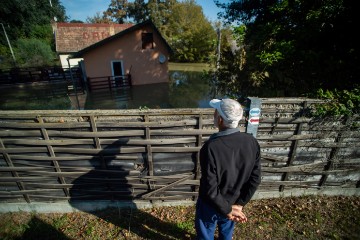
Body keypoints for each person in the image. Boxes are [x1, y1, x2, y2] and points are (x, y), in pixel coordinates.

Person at [195, 98, 261, 240]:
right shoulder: (252, 142)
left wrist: (228, 209)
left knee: (206, 233)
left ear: (219, 119)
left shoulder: (210, 148)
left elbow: (210, 189)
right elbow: (255, 179)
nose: (213, 114)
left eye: (215, 112)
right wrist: (238, 205)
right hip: (234, 202)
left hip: (210, 205)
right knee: (226, 232)